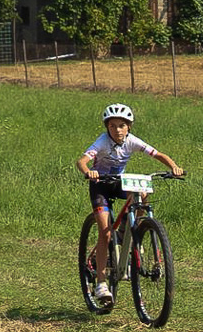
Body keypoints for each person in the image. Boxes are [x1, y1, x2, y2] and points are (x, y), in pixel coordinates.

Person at [75, 103, 183, 305]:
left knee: (142, 193)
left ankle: (129, 231)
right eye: (113, 126)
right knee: (105, 231)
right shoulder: (102, 142)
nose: (117, 130)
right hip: (100, 186)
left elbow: (158, 154)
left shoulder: (131, 141)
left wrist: (174, 167)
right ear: (107, 127)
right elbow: (81, 161)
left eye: (122, 125)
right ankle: (101, 283)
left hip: (119, 183)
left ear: (129, 127)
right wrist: (88, 171)